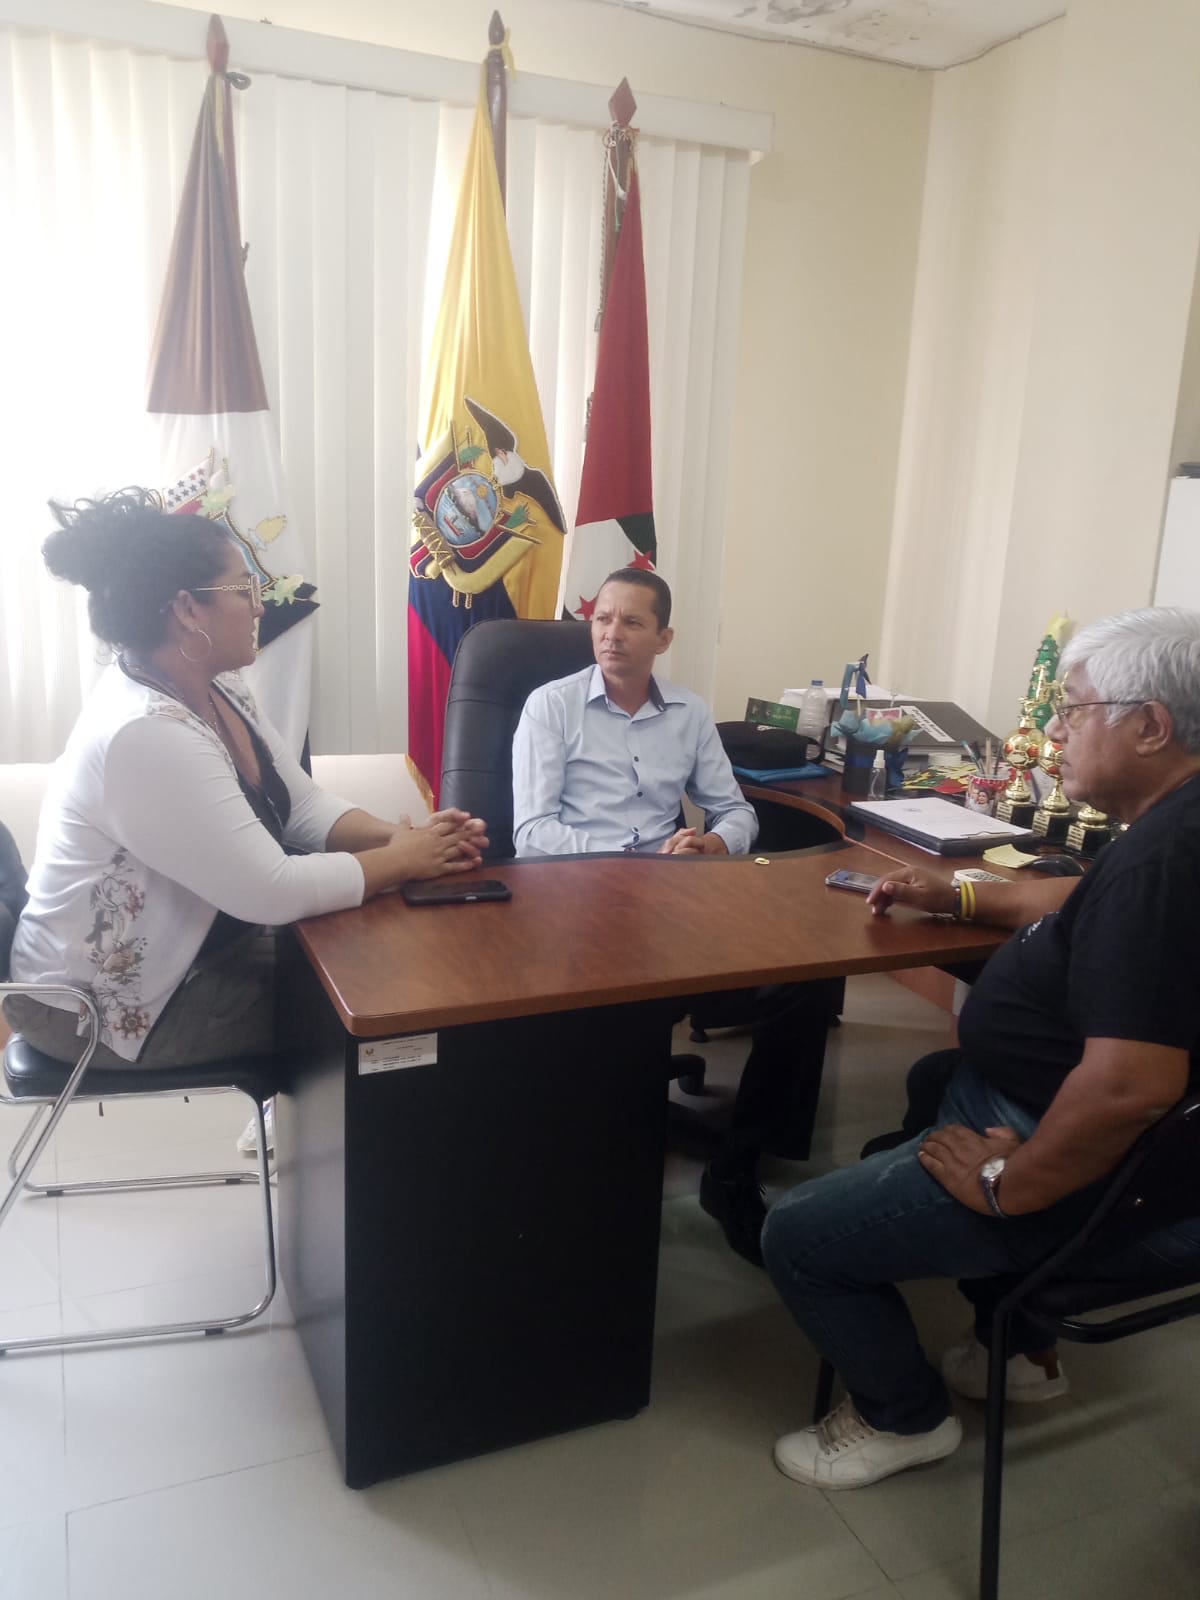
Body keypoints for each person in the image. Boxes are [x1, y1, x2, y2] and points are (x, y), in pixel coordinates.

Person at [761, 605, 1200, 1490]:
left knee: (798, 1235)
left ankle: (904, 1417)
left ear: (1151, 726)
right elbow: (1077, 904)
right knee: (937, 1077)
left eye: (1073, 710)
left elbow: (1132, 1087)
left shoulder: (1165, 863)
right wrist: (957, 896)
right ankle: (1017, 1348)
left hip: (1108, 1172)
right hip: (1129, 1147)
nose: (1054, 731)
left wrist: (1011, 1183)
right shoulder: (1170, 829)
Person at [4, 488, 487, 1079]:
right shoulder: (144, 732)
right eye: (244, 589)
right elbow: (273, 890)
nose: (260, 607)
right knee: (392, 997)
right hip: (92, 1009)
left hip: (196, 957)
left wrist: (404, 841)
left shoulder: (214, 685)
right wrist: (405, 859)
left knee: (390, 950)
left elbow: (301, 806)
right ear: (188, 609)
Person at [512, 567, 836, 1266]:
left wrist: (714, 843)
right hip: (579, 902)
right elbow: (532, 833)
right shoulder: (550, 707)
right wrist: (635, 859)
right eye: (602, 619)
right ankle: (590, 1166)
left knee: (802, 980)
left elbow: (736, 810)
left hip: (675, 900)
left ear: (663, 638)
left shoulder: (689, 713)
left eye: (632, 623)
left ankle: (736, 1167)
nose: (612, 634)